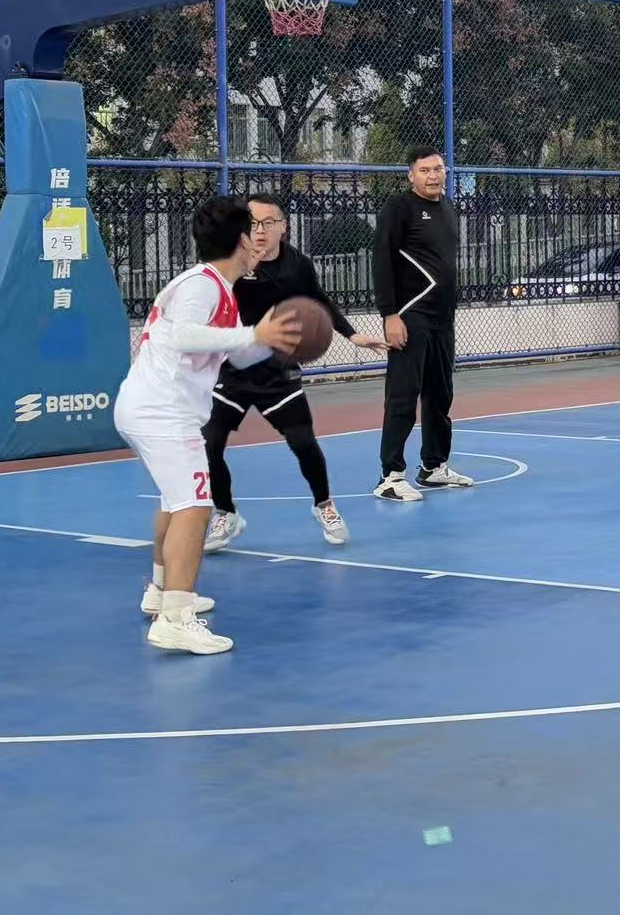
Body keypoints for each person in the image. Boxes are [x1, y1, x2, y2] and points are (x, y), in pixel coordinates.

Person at [114, 196, 301, 655]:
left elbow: (237, 353)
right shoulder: (202, 286)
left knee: (176, 501)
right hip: (163, 411)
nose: (260, 237)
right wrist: (253, 333)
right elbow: (184, 337)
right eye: (254, 229)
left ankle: (162, 592)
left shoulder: (215, 286)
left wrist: (273, 341)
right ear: (241, 240)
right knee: (197, 506)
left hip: (150, 406)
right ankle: (175, 619)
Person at [202, 194, 388, 551]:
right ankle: (225, 513)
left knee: (303, 443)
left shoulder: (297, 265)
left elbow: (319, 301)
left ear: (283, 227)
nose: (260, 230)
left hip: (279, 370)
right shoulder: (229, 262)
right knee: (210, 444)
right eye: (252, 223)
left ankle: (324, 505)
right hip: (233, 369)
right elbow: (209, 300)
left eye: (268, 222)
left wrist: (352, 335)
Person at [372, 147, 475, 502]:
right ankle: (390, 475)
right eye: (425, 170)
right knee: (403, 395)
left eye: (438, 169)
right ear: (411, 175)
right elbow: (382, 260)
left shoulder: (447, 208)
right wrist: (390, 314)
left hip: (442, 318)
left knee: (440, 394)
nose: (433, 175)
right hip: (409, 315)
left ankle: (433, 466)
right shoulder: (399, 208)